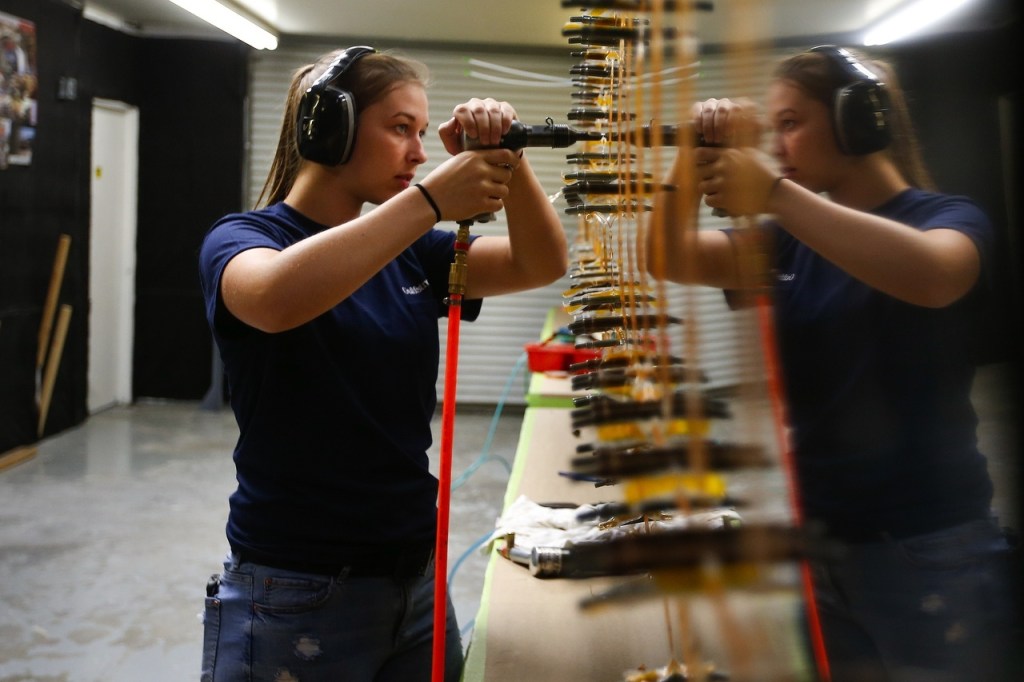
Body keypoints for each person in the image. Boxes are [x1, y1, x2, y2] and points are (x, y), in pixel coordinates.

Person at [648, 45, 1019, 681]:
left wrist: (773, 194)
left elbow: (933, 276)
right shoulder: (791, 240)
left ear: (858, 121)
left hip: (929, 550)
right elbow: (668, 257)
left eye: (791, 122)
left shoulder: (948, 219)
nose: (778, 143)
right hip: (821, 544)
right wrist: (694, 149)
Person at [197, 46, 567, 682]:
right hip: (296, 590)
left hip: (413, 582)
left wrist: (508, 154)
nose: (420, 153)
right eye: (400, 129)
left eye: (422, 133)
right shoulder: (244, 239)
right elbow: (277, 298)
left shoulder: (413, 253)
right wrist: (428, 201)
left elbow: (540, 263)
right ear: (330, 128)